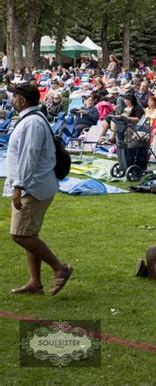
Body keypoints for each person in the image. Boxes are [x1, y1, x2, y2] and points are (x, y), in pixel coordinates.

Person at [4, 82, 72, 295]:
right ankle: (35, 283)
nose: (11, 99)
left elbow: (29, 157)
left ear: (23, 100)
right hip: (35, 184)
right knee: (29, 233)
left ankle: (60, 268)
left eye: (14, 96)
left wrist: (18, 187)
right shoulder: (31, 119)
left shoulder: (32, 123)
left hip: (33, 187)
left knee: (20, 234)